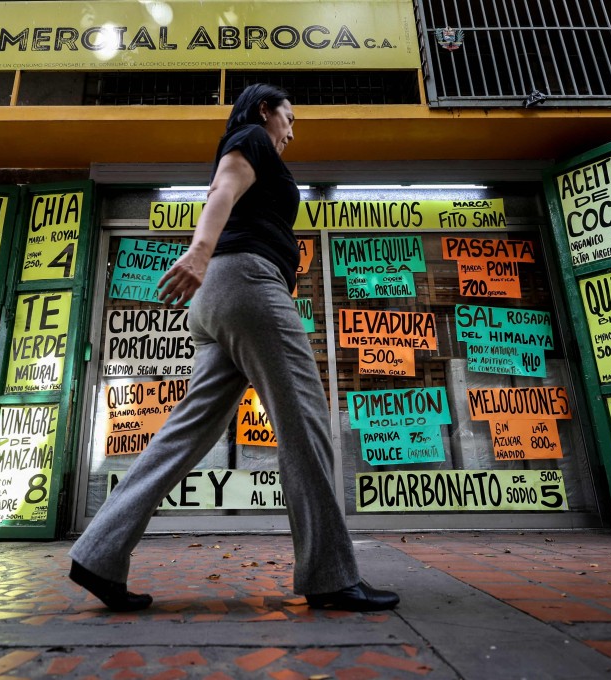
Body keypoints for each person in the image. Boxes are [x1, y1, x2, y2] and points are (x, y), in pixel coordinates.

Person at [69, 83, 400, 613]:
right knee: (306, 421)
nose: (292, 131)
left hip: (218, 297)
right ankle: (331, 577)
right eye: (289, 117)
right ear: (266, 109)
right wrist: (198, 253)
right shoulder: (251, 136)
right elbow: (222, 188)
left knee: (185, 432)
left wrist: (207, 265)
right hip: (246, 284)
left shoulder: (256, 144)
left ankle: (97, 553)